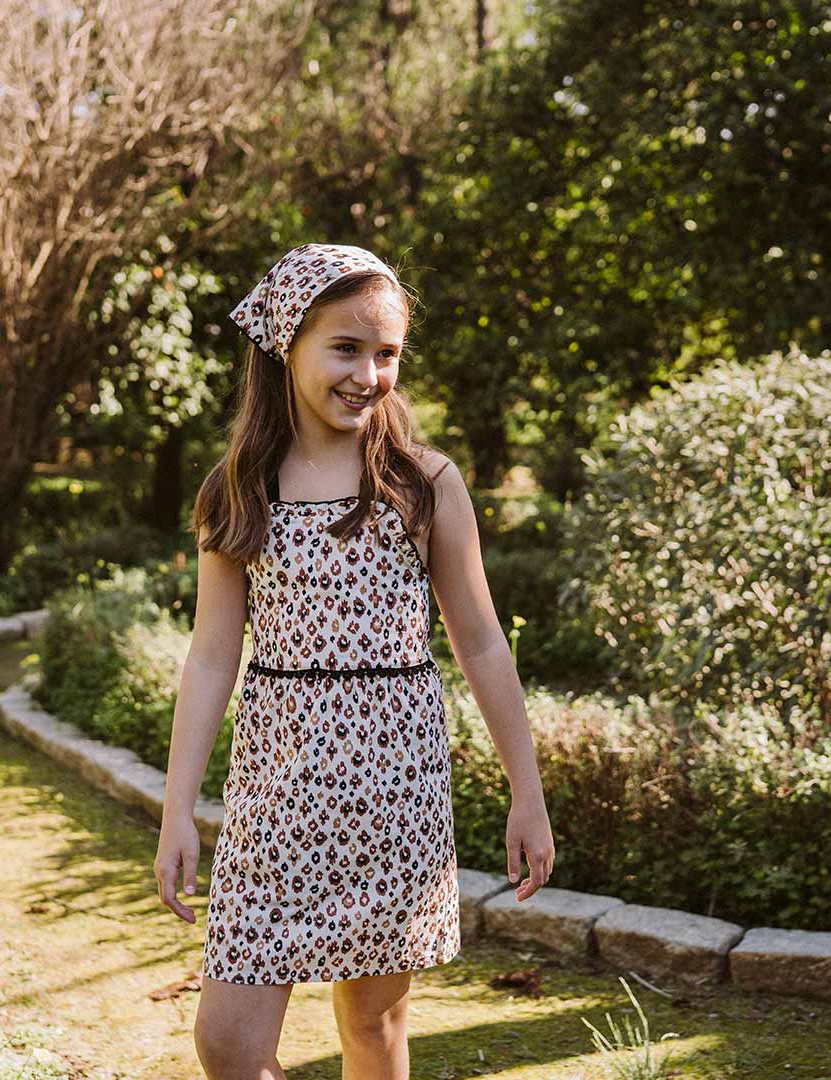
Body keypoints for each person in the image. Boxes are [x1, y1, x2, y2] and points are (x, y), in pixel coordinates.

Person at [154, 242, 555, 1080]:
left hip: (394, 795)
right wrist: (177, 810)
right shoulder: (236, 488)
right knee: (227, 1043)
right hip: (275, 798)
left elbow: (481, 642)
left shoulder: (423, 481)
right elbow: (211, 657)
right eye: (346, 347)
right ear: (287, 343)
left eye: (387, 353)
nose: (368, 374)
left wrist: (528, 793)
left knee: (371, 1026)